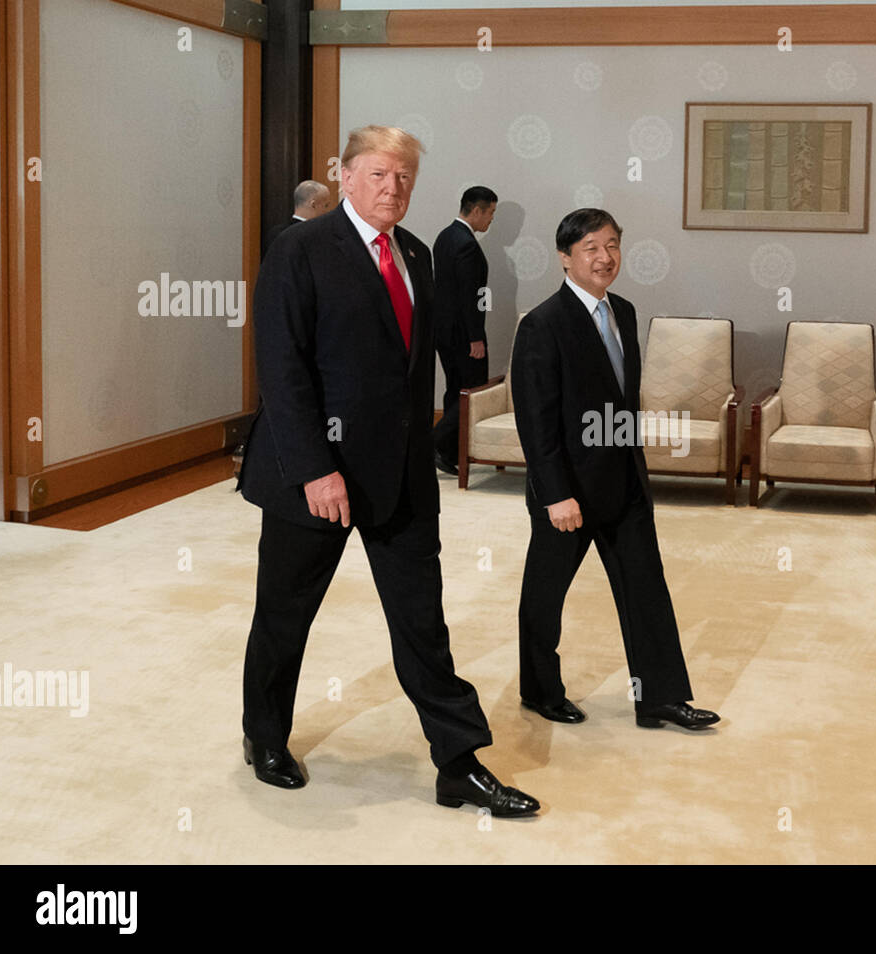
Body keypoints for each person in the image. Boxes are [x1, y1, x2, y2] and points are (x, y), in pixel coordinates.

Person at [237, 125, 538, 817]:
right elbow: (282, 372)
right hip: (313, 478)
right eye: (377, 173)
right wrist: (316, 469)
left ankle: (458, 761)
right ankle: (264, 737)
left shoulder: (415, 254)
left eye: (403, 175)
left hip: (398, 480)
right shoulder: (301, 249)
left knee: (422, 621)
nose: (392, 186)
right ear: (343, 175)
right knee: (285, 619)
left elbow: (410, 375)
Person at [510, 208, 720, 731]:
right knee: (545, 594)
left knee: (647, 589)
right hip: (568, 493)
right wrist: (556, 493)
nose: (605, 258)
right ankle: (540, 690)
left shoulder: (623, 311)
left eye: (612, 246)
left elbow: (622, 403)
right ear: (564, 258)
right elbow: (536, 422)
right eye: (590, 249)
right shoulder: (542, 325)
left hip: (624, 483)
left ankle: (660, 698)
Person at [431, 186, 497, 474]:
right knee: (471, 392)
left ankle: (448, 452)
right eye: (491, 213)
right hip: (462, 334)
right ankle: (434, 444)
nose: (491, 220)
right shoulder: (467, 244)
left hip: (443, 331)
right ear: (477, 210)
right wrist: (475, 337)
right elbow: (469, 295)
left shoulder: (445, 237)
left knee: (455, 390)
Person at [261, 179, 331, 258]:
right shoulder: (315, 236)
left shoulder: (275, 233)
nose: (328, 211)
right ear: (313, 205)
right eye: (326, 206)